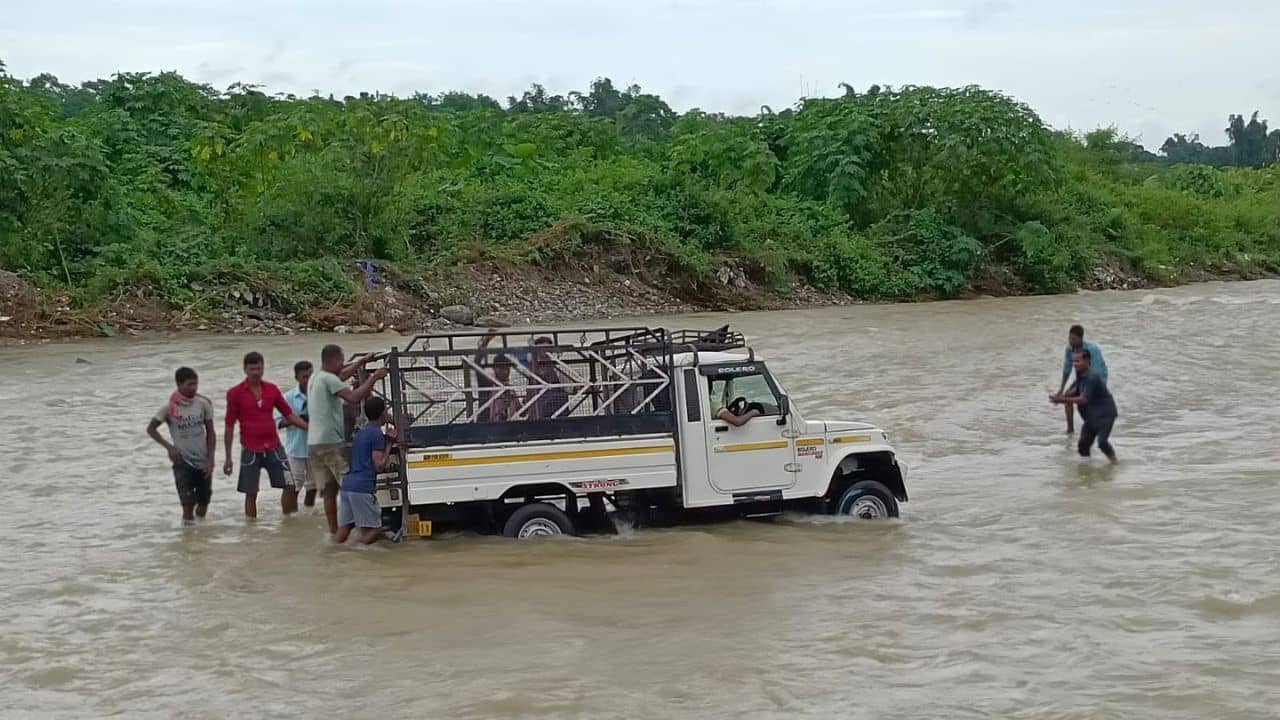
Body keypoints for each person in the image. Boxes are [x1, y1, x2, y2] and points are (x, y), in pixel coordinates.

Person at [308, 344, 388, 536]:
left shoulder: (317, 377)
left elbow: (341, 376)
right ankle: (364, 532)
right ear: (335, 361)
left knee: (329, 493)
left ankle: (336, 534)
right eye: (342, 361)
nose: (344, 364)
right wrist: (374, 378)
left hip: (314, 443)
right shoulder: (328, 379)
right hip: (330, 443)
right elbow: (354, 397)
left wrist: (361, 362)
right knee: (354, 485)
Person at [224, 352, 308, 518]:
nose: (256, 372)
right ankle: (252, 530)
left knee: (290, 485)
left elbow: (289, 414)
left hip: (274, 448)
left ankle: (289, 522)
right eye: (252, 368)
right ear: (245, 369)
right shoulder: (235, 393)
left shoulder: (272, 389)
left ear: (263, 368)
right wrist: (228, 458)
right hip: (250, 450)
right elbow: (229, 425)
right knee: (251, 493)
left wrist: (309, 428)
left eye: (259, 368)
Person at [147, 367, 216, 523]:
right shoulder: (169, 409)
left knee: (204, 503)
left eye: (195, 384)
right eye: (189, 385)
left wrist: (211, 459)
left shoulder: (203, 404)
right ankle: (189, 539)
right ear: (178, 384)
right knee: (187, 505)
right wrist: (169, 447)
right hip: (182, 462)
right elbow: (151, 429)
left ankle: (202, 534)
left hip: (203, 460)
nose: (193, 388)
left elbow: (211, 432)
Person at [335, 396, 396, 545]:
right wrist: (388, 444)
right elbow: (379, 465)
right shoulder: (376, 435)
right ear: (382, 414)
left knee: (345, 528)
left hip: (347, 485)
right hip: (362, 487)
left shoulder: (361, 433)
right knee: (376, 529)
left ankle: (334, 552)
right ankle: (357, 551)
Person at [1050, 348, 1119, 464]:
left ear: (1087, 361)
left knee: (1102, 442)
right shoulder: (1080, 374)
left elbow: (1083, 400)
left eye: (1077, 361)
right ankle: (1086, 471)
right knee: (1083, 445)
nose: (1074, 364)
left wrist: (1063, 399)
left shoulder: (1092, 376)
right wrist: (1061, 397)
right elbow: (1074, 390)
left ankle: (1114, 463)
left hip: (1105, 415)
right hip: (1092, 415)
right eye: (1073, 362)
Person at [277, 361, 315, 510]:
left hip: (316, 448)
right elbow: (277, 423)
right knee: (291, 487)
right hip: (296, 449)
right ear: (297, 378)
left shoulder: (319, 394)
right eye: (305, 376)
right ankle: (288, 519)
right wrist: (296, 419)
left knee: (313, 487)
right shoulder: (288, 398)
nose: (309, 379)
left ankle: (308, 516)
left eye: (311, 375)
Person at [1057, 325, 1108, 434]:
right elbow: (1067, 369)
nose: (1071, 341)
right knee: (1067, 395)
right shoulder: (1069, 349)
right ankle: (1070, 429)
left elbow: (1097, 371)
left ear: (1081, 338)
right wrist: (1061, 388)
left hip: (1097, 377)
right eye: (1069, 338)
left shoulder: (1092, 349)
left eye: (1074, 339)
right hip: (1081, 378)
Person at [474, 329, 518, 422]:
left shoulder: (510, 389)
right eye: (501, 368)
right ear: (494, 368)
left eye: (506, 368)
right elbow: (476, 364)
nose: (505, 371)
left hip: (506, 426)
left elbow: (522, 411)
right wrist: (485, 342)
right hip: (485, 424)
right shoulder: (487, 383)